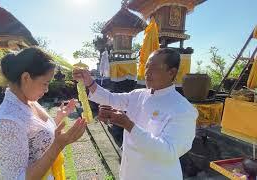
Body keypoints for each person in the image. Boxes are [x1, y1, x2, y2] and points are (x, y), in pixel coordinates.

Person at [73, 48, 198, 180]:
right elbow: (111, 99)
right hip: (130, 171)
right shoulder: (139, 94)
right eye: (147, 66)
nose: (147, 72)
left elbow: (169, 151)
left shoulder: (183, 109)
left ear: (171, 72)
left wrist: (128, 125)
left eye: (154, 68)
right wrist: (89, 82)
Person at [0, 47, 86, 180]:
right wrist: (58, 145)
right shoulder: (5, 123)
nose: (46, 90)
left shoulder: (29, 102)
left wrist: (58, 118)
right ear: (26, 77)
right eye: (45, 83)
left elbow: (36, 137)